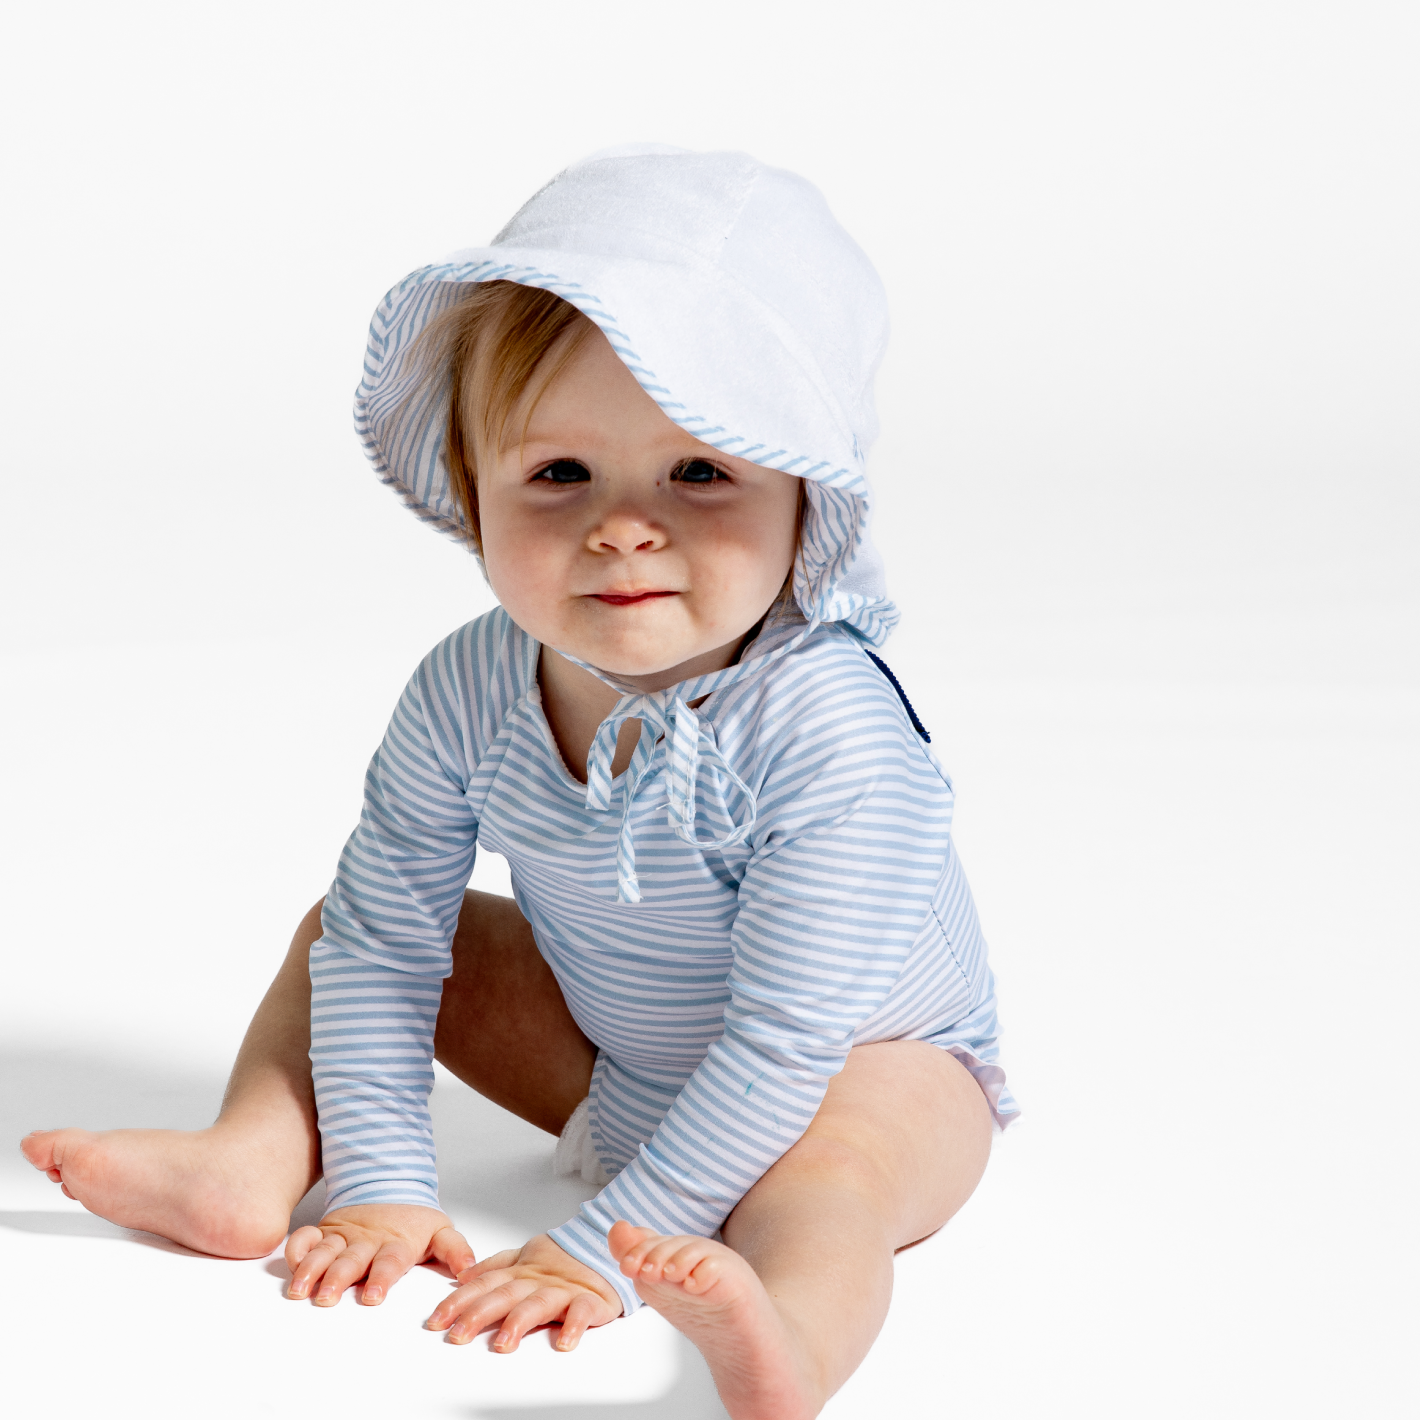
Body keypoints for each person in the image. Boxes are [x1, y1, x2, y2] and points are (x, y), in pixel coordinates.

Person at [22, 145, 1018, 1420]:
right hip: (618, 1053)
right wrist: (383, 1176)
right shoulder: (469, 685)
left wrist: (601, 1246)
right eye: (558, 474)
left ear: (805, 498)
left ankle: (789, 1345)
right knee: (341, 931)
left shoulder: (835, 736)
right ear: (473, 491)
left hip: (854, 1064)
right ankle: (254, 1156)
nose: (621, 525)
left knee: (838, 1178)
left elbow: (781, 1039)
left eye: (701, 470)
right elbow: (389, 941)